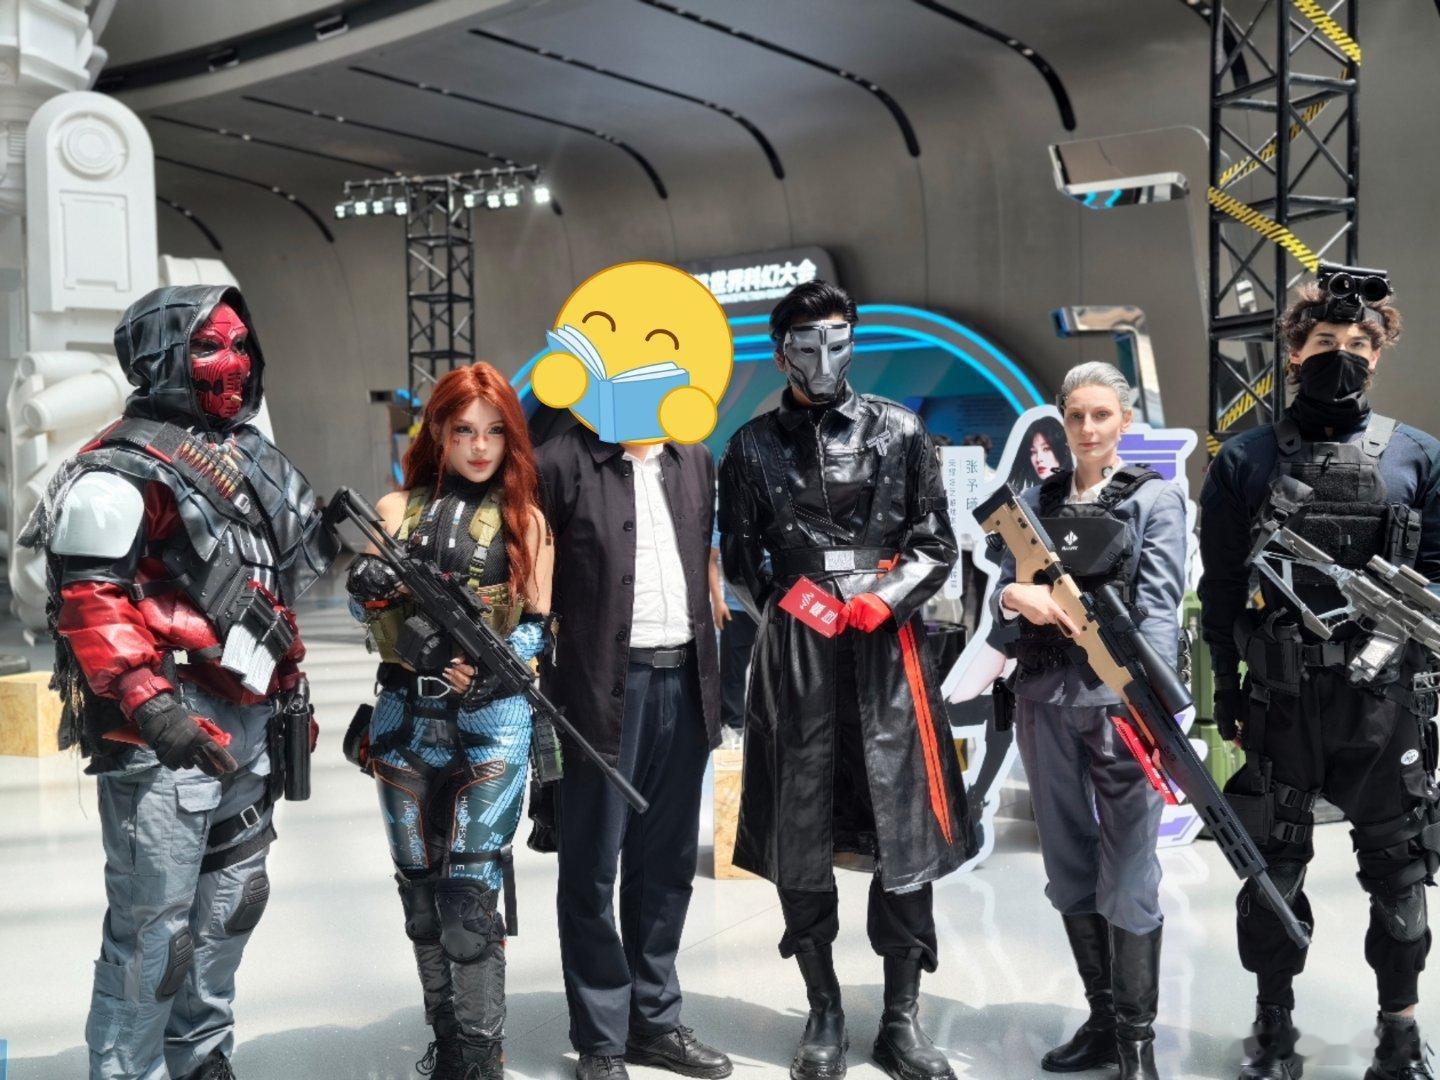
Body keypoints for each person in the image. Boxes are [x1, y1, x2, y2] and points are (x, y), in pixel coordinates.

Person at [21, 286, 337, 1080]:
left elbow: (275, 589)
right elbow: (91, 597)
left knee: (231, 907)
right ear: (160, 356)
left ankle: (200, 1057)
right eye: (207, 346)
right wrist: (149, 702)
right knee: (154, 929)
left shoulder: (251, 458)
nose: (232, 363)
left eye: (239, 343)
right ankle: (128, 1070)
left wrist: (288, 684)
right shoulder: (119, 469)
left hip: (250, 719)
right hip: (166, 730)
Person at [719, 280, 976, 1080]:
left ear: (853, 342)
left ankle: (901, 1017)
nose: (822, 359)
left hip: (887, 655)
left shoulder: (901, 432)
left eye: (836, 340)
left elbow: (936, 542)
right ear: (780, 352)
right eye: (805, 344)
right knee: (799, 827)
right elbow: (741, 560)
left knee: (903, 829)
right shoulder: (751, 448)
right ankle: (823, 1007)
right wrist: (796, 600)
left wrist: (888, 596)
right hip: (798, 653)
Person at [1200, 267, 1440, 1080]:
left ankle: (1400, 1033)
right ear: (1294, 352)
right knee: (1273, 872)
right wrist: (1227, 693)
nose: (1344, 354)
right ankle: (1273, 1028)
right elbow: (1221, 590)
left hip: (1385, 705)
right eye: (1326, 341)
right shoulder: (1245, 460)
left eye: (1360, 343)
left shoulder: (1419, 457)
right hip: (1281, 701)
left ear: (1380, 354)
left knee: (1400, 876)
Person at [345, 363, 554, 1079]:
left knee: (467, 905)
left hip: (492, 725)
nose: (479, 446)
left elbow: (537, 627)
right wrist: (372, 591)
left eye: (494, 431)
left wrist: (494, 668)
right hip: (403, 718)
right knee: (421, 902)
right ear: (437, 431)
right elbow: (363, 611)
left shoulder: (526, 520)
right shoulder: (394, 510)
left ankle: (481, 1056)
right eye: (464, 430)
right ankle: (449, 1045)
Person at [992, 362, 1187, 1080]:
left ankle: (1137, 1041)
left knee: (1130, 869)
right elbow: (1001, 597)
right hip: (1043, 702)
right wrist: (1015, 599)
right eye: (1075, 415)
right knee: (1068, 864)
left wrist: (1153, 706)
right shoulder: (1032, 503)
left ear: (1124, 421)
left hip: (1120, 707)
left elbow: (1160, 610)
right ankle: (1103, 1020)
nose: (1087, 428)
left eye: (1101, 414)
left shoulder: (1154, 500)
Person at [536, 408, 731, 1080]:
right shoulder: (559, 462)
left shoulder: (694, 458)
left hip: (686, 683)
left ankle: (654, 1021)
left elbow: (703, 558)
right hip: (599, 691)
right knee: (591, 867)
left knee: (668, 864)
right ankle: (601, 1039)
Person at [1006, 415, 1071, 492]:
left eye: (1046, 449)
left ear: (1063, 449)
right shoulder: (1028, 495)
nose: (1038, 459)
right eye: (1033, 452)